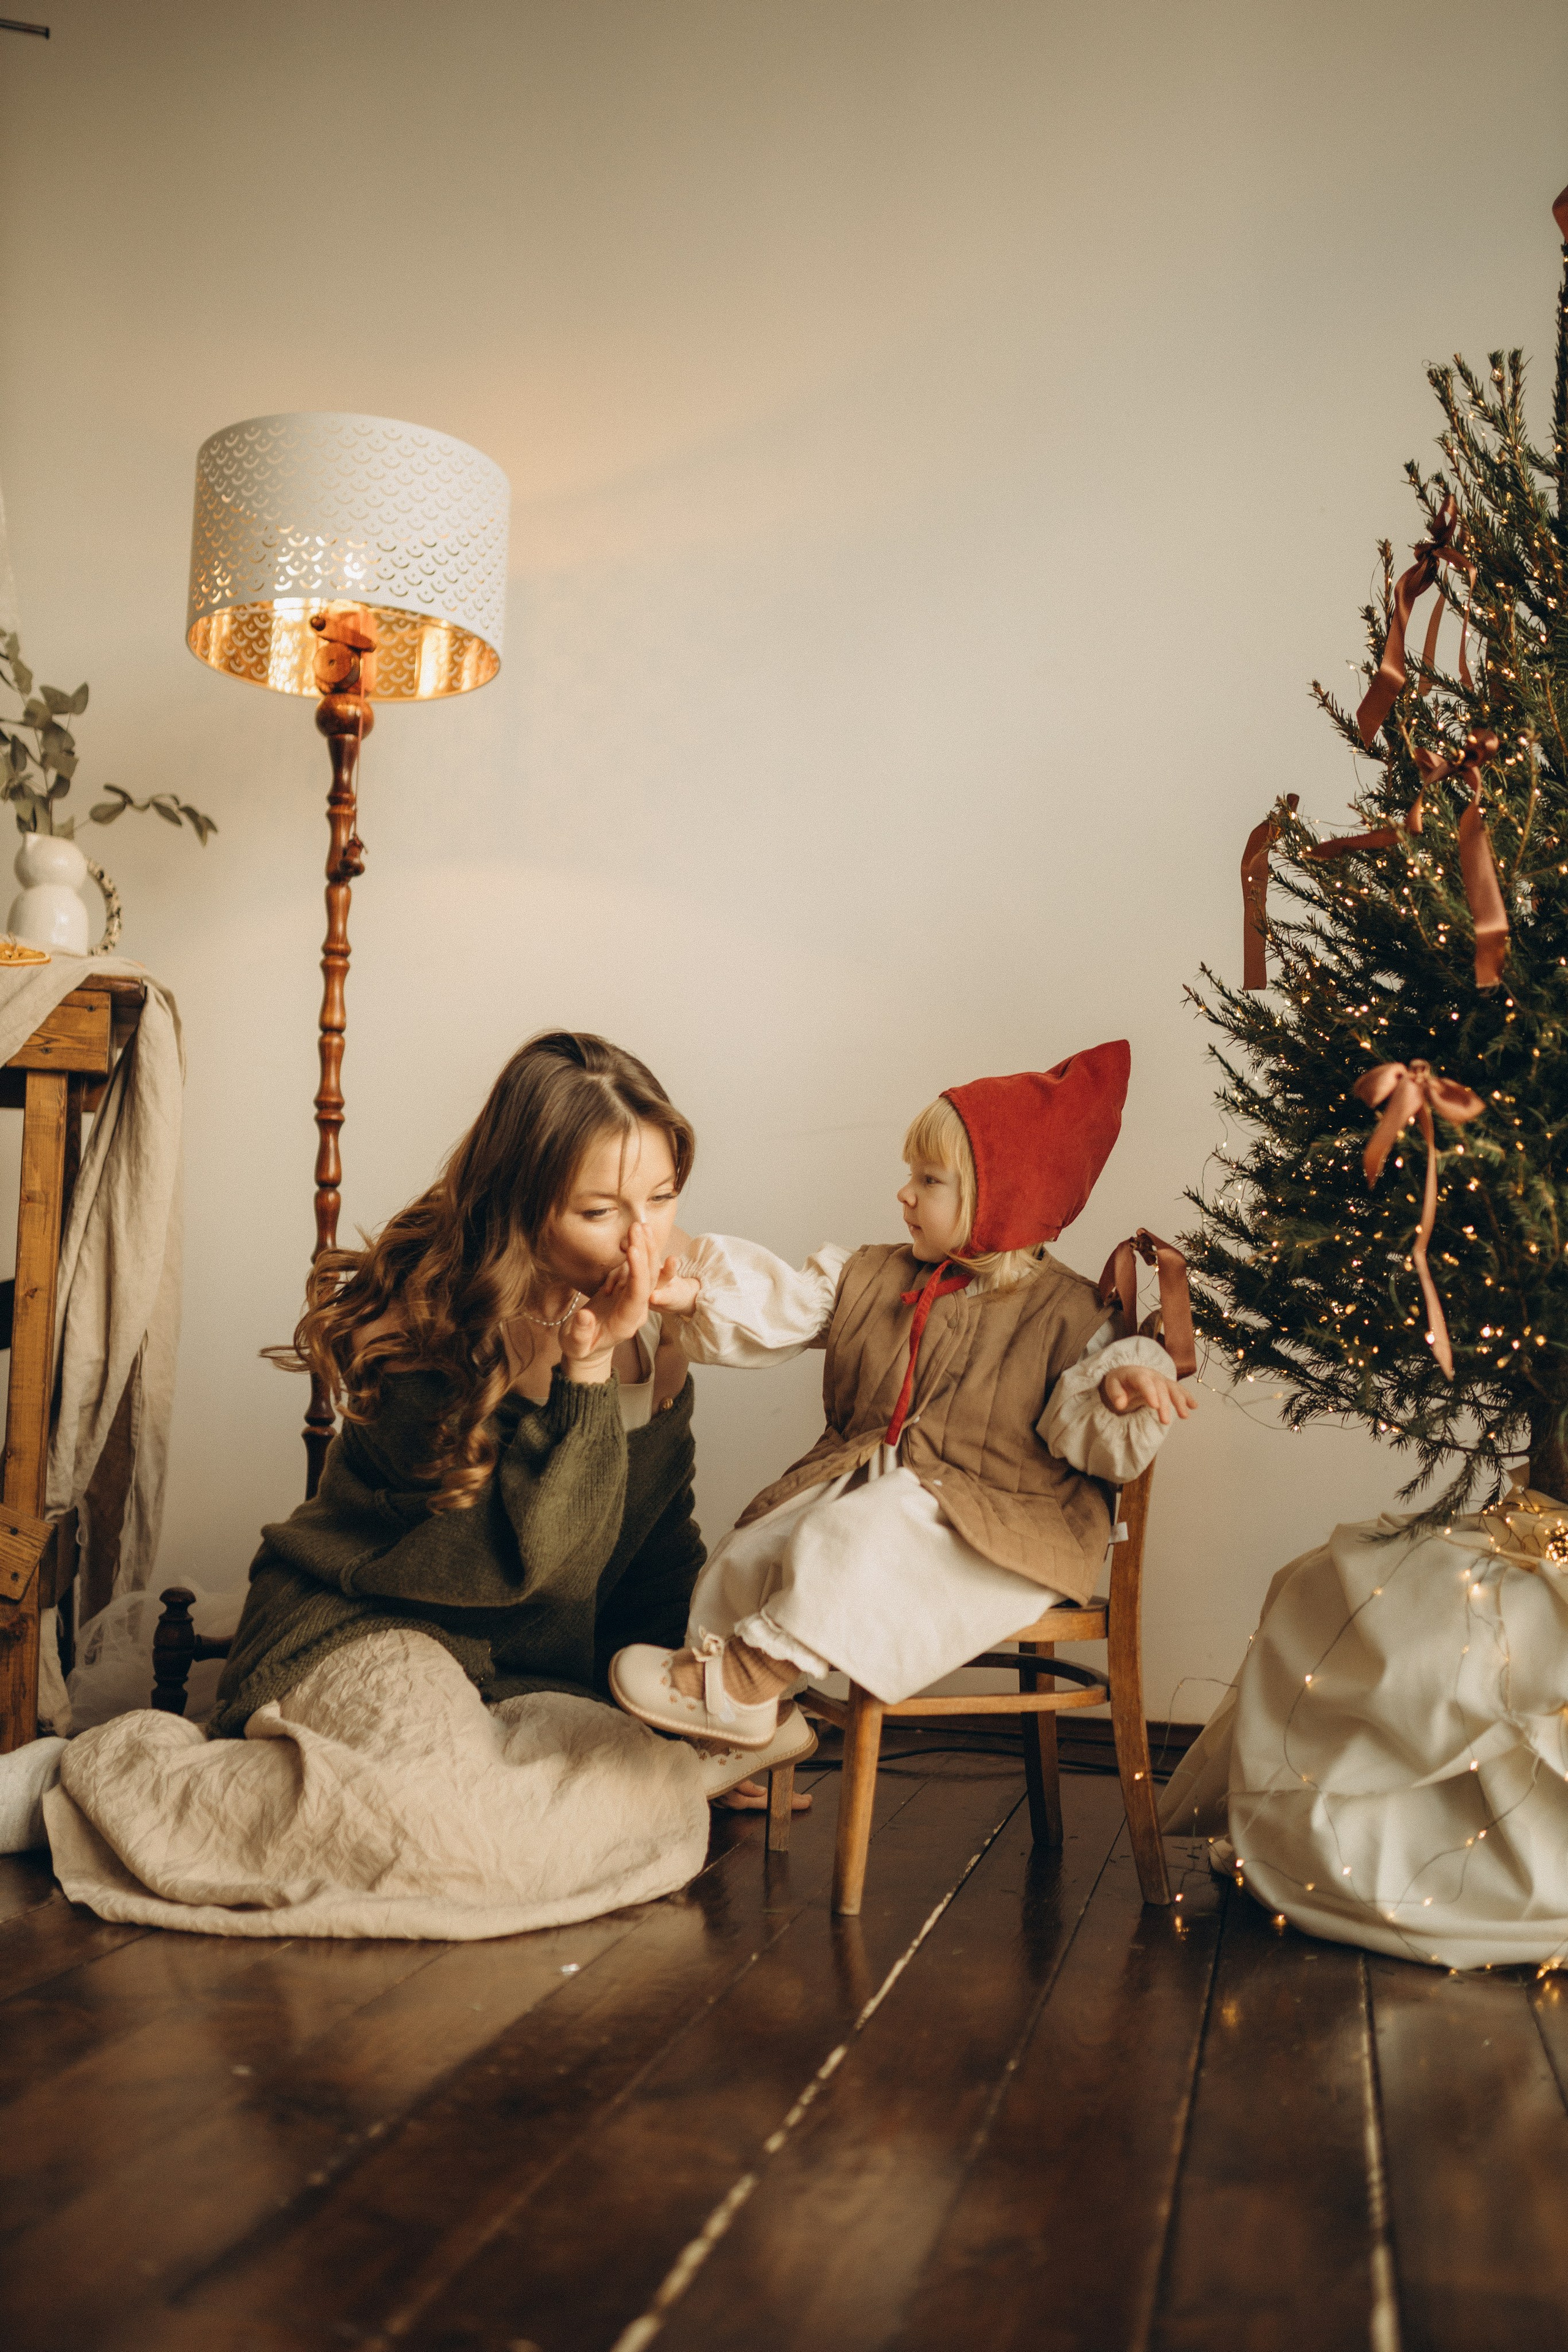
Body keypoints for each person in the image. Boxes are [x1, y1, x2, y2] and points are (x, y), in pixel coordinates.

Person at [19, 1031, 815, 1937]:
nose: (644, 1241)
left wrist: (682, 1724)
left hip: (522, 1673)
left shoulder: (662, 1346)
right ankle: (82, 1778)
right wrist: (583, 1378)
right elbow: (525, 1568)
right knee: (447, 1834)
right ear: (525, 1207)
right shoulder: (436, 1324)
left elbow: (653, 1553)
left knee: (600, 1809)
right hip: (371, 1623)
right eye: (601, 1212)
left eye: (664, 1198)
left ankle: (600, 1785)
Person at [610, 1040, 1197, 1749]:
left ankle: (745, 1676)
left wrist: (1117, 1391)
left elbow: (1087, 1431)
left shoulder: (1070, 1313)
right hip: (873, 1489)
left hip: (1003, 1527)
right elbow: (786, 1300)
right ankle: (731, 1731)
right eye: (909, 1175)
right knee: (751, 1553)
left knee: (863, 1532)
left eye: (929, 1179)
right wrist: (693, 1292)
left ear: (999, 1199)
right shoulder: (874, 1275)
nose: (904, 1194)